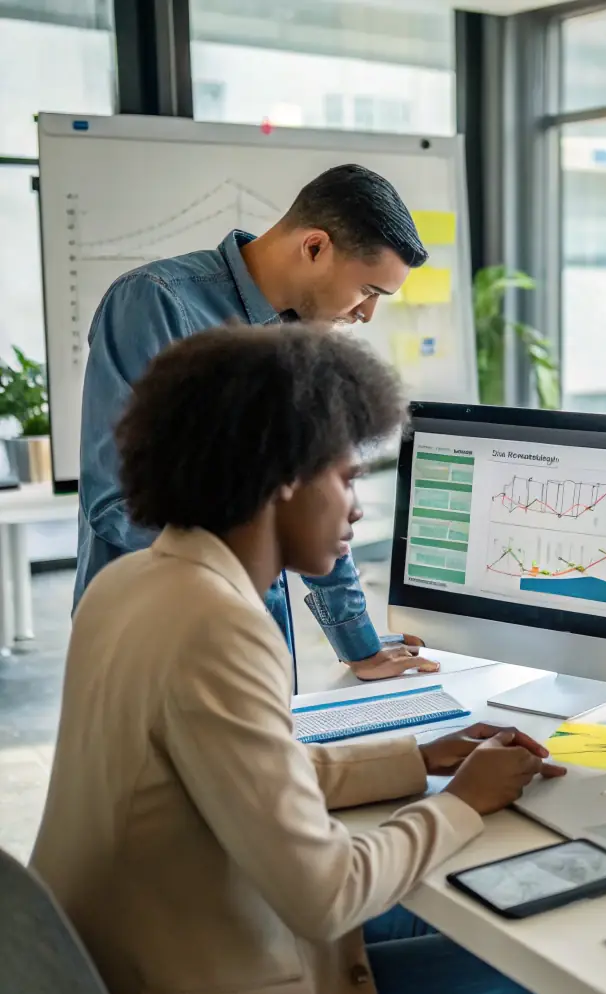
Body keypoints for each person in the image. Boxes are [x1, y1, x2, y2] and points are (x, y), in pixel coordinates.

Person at [32, 323, 565, 994]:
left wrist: (416, 760)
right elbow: (327, 894)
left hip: (117, 960)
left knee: (468, 912)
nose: (356, 506)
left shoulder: (131, 581)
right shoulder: (215, 623)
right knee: (539, 966)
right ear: (282, 476)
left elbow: (241, 776)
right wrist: (463, 801)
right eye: (346, 478)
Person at [76, 163, 433, 680]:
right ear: (314, 247)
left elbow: (315, 501)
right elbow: (115, 504)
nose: (368, 314)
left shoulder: (307, 333)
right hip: (152, 642)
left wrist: (359, 643)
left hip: (254, 643)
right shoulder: (155, 302)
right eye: (369, 290)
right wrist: (252, 554)